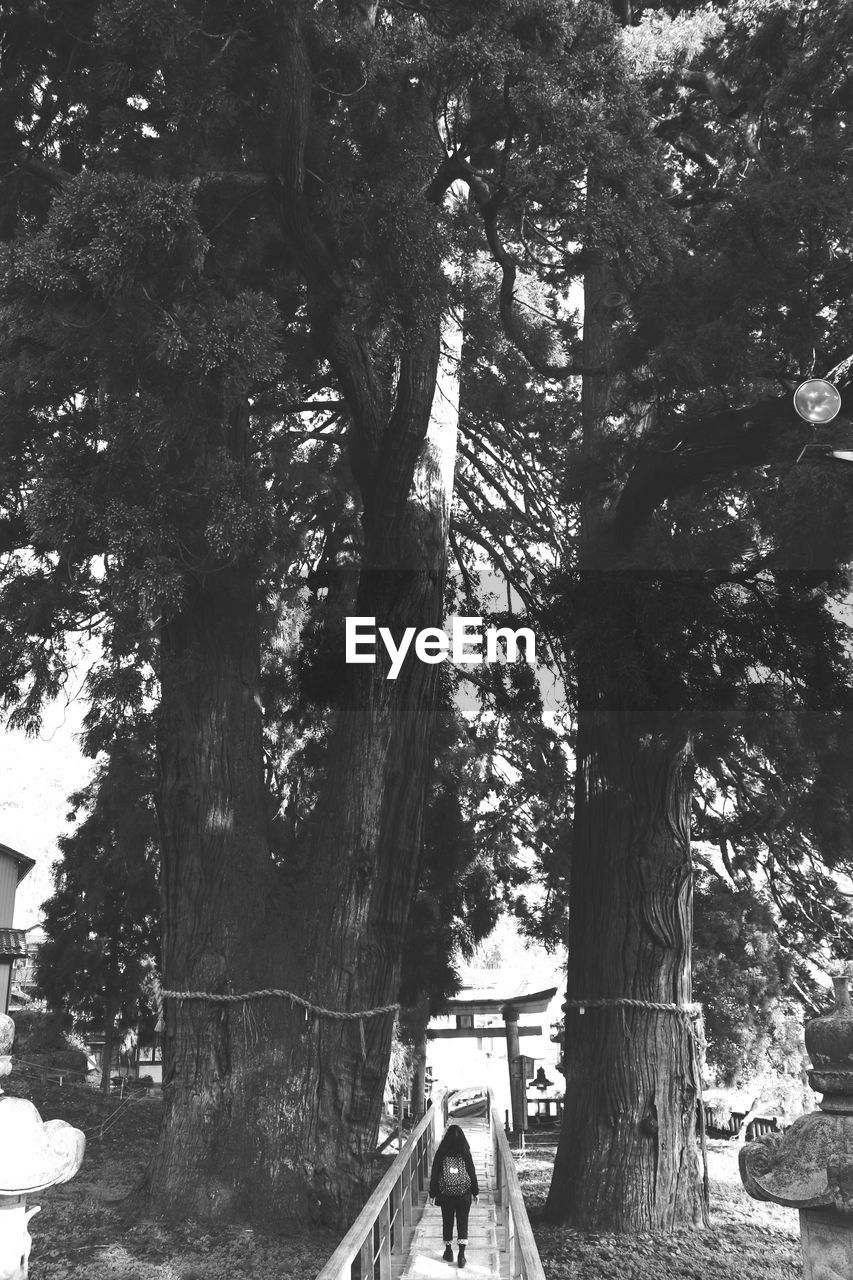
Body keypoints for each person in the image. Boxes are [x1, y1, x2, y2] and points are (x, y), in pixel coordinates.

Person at [428, 1123, 479, 1268]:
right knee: (463, 1221)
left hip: (446, 1194)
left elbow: (435, 1173)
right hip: (464, 1194)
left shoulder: (442, 1152)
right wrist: (475, 1191)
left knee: (448, 1220)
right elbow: (472, 1171)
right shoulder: (465, 1151)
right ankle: (461, 1255)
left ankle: (448, 1251)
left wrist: (433, 1193)